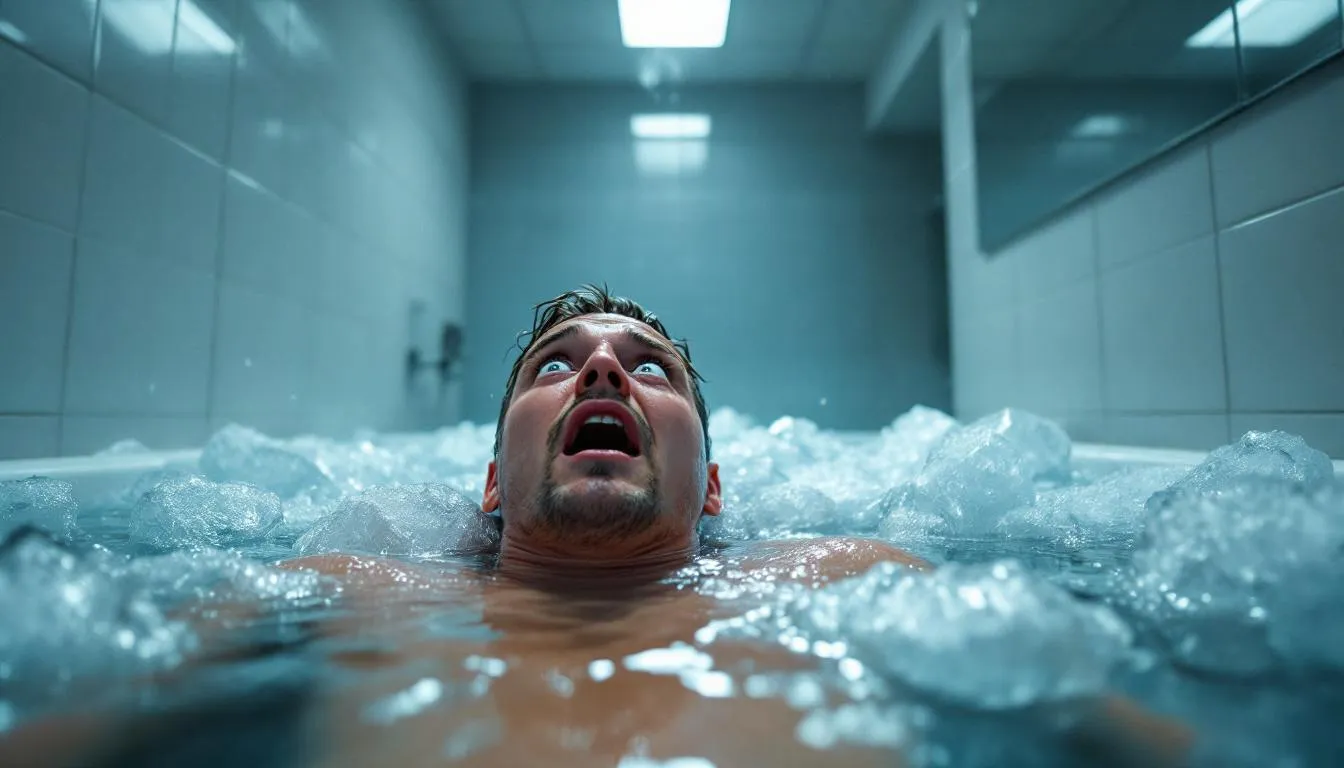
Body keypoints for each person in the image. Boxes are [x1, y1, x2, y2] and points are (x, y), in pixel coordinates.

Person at [0, 286, 1189, 767]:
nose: (605, 374)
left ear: (712, 489)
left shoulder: (847, 583)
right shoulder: (344, 587)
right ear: (489, 483)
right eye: (556, 365)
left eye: (650, 369)